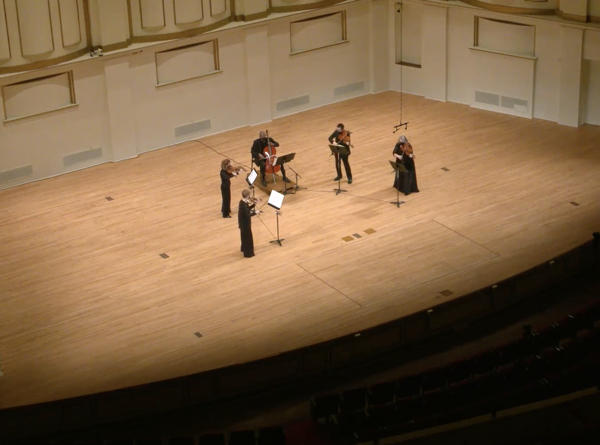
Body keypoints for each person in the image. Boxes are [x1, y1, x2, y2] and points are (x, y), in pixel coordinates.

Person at [238, 189, 256, 258]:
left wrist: (254, 204)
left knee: (244, 237)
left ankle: (244, 248)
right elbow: (248, 214)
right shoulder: (244, 205)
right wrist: (255, 212)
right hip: (245, 224)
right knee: (248, 238)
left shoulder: (242, 202)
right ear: (247, 196)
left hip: (242, 223)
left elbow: (247, 209)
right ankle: (248, 253)